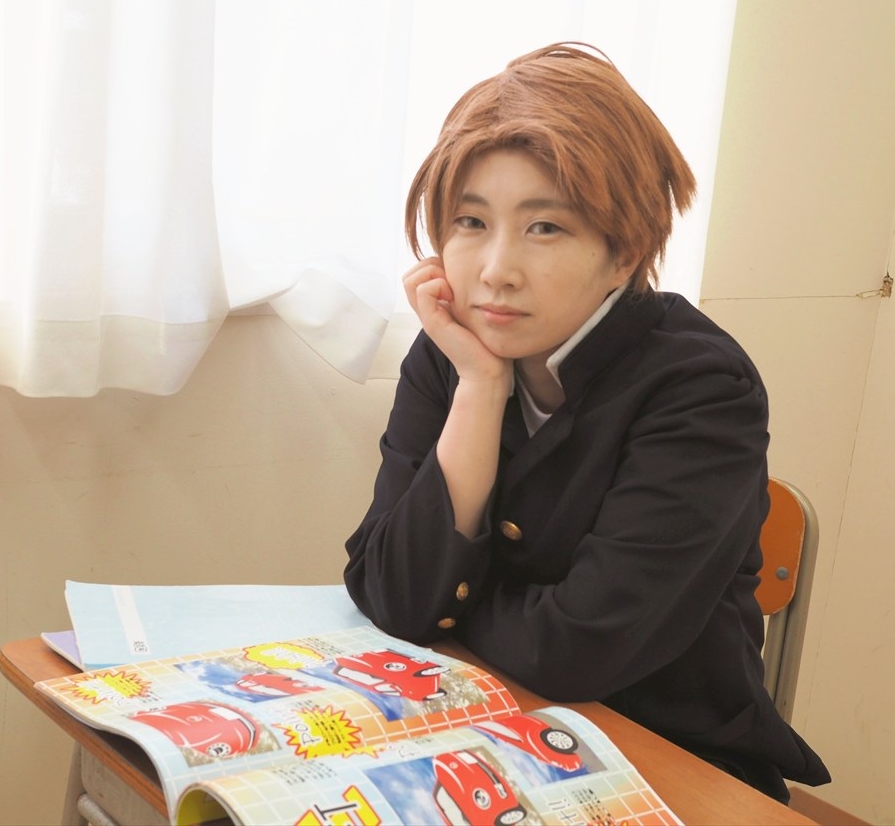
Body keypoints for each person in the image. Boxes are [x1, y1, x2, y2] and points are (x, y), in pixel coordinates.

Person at [343, 42, 830, 801]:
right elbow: (392, 595)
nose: (495, 271)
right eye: (470, 221)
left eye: (545, 228)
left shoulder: (702, 388)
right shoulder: (452, 353)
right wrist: (480, 386)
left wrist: (454, 607)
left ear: (624, 250)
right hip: (489, 728)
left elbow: (572, 654)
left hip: (667, 764)